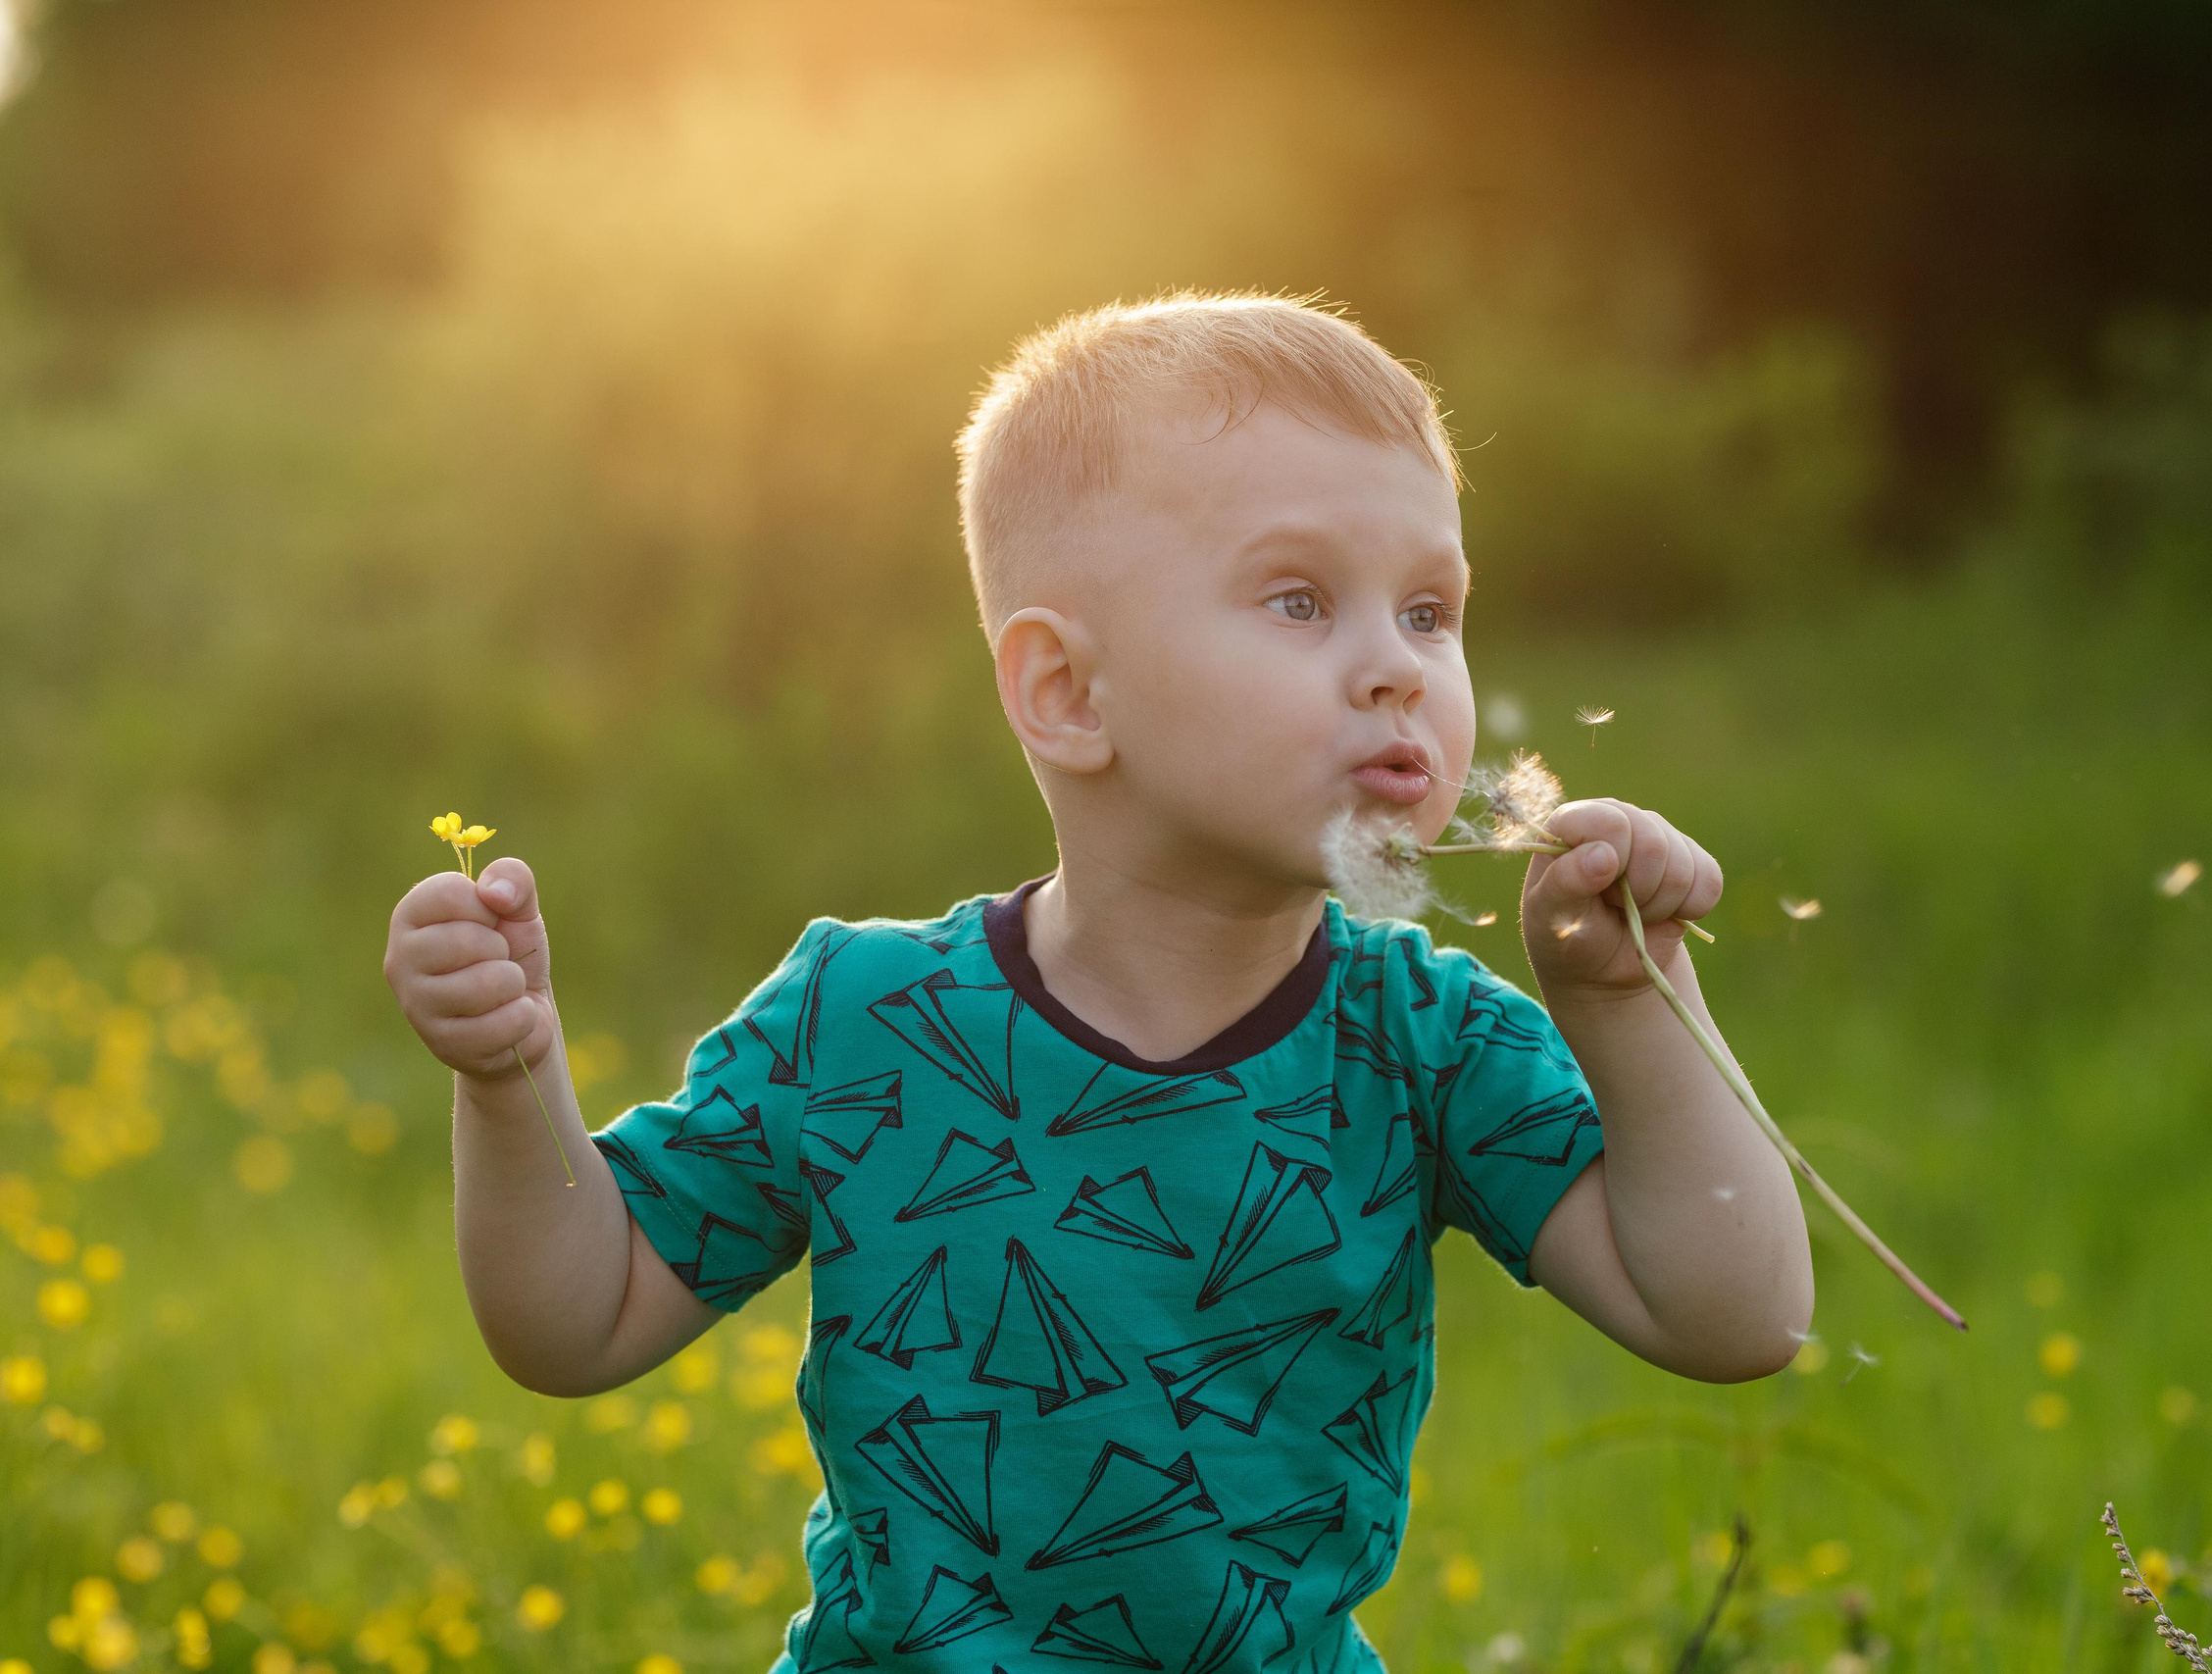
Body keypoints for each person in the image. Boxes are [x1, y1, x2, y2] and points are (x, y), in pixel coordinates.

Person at [381, 290, 1814, 1674]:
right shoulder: (862, 1028)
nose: (1397, 668)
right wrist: (509, 1076)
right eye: (1303, 599)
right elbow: (575, 1322)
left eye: (1431, 611)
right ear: (1068, 693)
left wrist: (1630, 1005)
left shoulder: (1425, 1046)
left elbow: (1733, 1321)